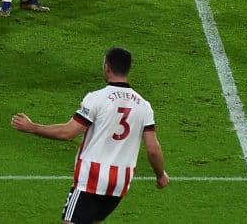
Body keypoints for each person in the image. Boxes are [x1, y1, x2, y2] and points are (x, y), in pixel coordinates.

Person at [11, 46, 170, 222]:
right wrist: (160, 175)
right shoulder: (144, 105)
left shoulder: (96, 98)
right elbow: (153, 149)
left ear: (107, 67)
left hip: (92, 179)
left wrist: (33, 127)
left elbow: (68, 132)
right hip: (119, 184)